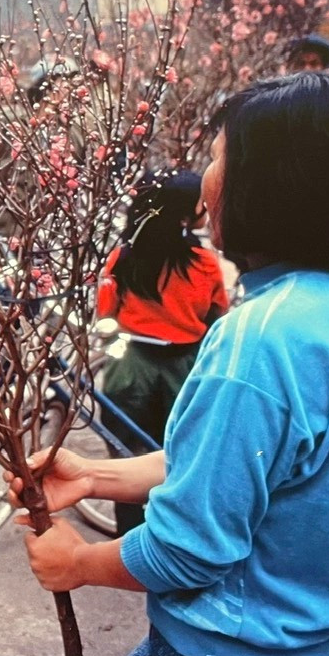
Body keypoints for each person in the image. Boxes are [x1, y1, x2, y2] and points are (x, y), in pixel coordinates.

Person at [9, 72, 329, 656]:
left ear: (276, 184)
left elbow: (189, 550)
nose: (205, 186)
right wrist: (99, 477)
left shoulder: (261, 339)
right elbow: (241, 472)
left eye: (219, 158)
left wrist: (78, 563)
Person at [95, 168, 228, 536]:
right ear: (185, 216)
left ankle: (128, 537)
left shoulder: (122, 259)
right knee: (174, 461)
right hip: (182, 372)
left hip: (129, 369)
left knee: (126, 460)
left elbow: (106, 314)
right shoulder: (203, 265)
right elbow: (217, 317)